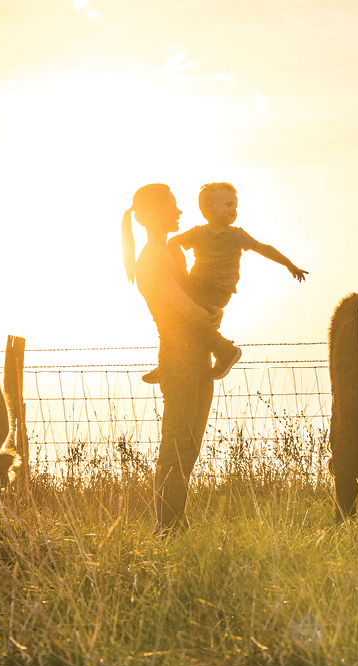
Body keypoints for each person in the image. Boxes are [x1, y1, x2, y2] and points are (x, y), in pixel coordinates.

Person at [121, 184, 221, 533]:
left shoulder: (172, 255)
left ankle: (176, 522)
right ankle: (167, 526)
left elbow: (192, 301)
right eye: (172, 207)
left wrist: (208, 313)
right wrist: (207, 315)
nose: (179, 212)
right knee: (177, 444)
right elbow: (180, 306)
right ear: (149, 215)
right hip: (178, 357)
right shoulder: (149, 260)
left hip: (197, 355)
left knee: (189, 445)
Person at [139, 182, 308, 384]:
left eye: (235, 206)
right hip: (197, 283)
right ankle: (172, 362)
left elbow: (264, 248)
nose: (233, 210)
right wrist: (179, 265)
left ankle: (224, 351)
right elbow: (173, 243)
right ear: (209, 207)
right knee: (180, 320)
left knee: (189, 320)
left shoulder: (237, 235)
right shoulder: (198, 233)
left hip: (219, 289)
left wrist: (290, 265)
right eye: (228, 205)